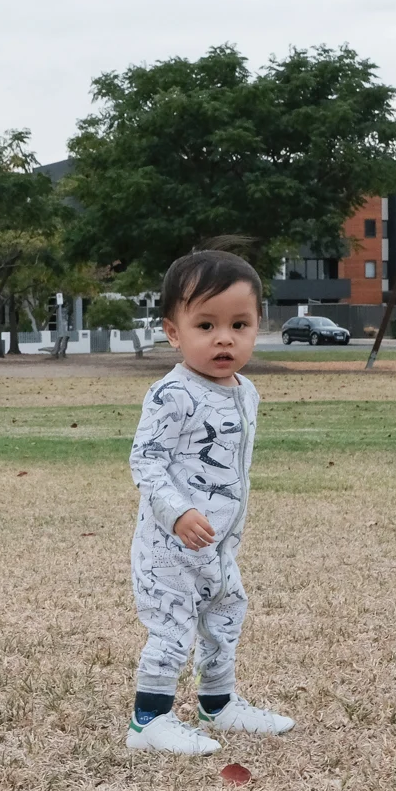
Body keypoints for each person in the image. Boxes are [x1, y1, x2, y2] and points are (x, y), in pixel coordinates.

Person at [124, 242, 295, 756]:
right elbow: (146, 461)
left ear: (257, 325)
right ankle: (148, 721)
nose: (224, 339)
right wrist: (177, 514)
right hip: (171, 545)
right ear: (173, 331)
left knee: (226, 614)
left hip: (219, 544)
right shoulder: (170, 394)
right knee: (172, 627)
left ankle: (217, 704)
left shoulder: (246, 391)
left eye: (239, 325)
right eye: (206, 326)